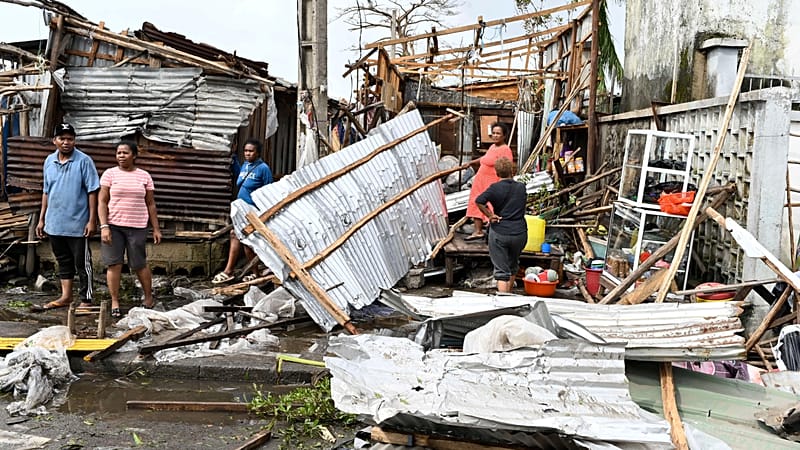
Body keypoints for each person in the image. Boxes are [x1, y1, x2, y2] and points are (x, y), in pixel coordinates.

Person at [35, 123, 100, 311]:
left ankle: (86, 300)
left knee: (82, 263)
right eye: (62, 138)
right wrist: (42, 219)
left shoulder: (84, 161)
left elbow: (92, 191)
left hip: (78, 223)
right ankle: (66, 296)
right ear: (54, 140)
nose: (66, 142)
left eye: (70, 139)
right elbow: (46, 192)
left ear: (74, 140)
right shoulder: (49, 161)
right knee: (63, 261)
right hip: (55, 222)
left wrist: (92, 220)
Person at [98, 141, 162, 318]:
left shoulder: (144, 176)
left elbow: (150, 204)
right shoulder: (109, 174)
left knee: (139, 264)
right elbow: (102, 202)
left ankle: (148, 297)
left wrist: (156, 228)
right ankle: (115, 301)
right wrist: (104, 226)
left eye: (125, 153)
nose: (121, 156)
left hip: (138, 226)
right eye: (118, 153)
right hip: (113, 226)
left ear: (134, 155)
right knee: (114, 263)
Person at [212, 139, 273, 284]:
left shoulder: (263, 169)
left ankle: (234, 271)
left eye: (251, 151)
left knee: (242, 238)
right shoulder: (246, 165)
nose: (247, 153)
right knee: (239, 236)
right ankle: (250, 272)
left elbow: (268, 190)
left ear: (257, 153)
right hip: (240, 210)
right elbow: (241, 178)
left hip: (252, 211)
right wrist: (233, 160)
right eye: (246, 151)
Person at [475, 157, 528, 293]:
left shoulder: (494, 188)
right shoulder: (521, 188)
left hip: (500, 232)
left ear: (497, 173)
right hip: (519, 233)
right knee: (512, 265)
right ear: (512, 171)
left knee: (501, 271)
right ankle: (509, 298)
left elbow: (479, 201)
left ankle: (504, 304)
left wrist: (490, 215)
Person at [465, 122, 514, 240]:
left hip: (492, 181)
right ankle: (478, 231)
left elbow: (507, 167)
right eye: (494, 133)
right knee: (476, 202)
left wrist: (505, 184)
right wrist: (471, 163)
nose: (495, 136)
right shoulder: (493, 147)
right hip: (480, 180)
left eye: (498, 134)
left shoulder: (505, 149)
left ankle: (493, 232)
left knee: (491, 205)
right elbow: (485, 158)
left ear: (504, 136)